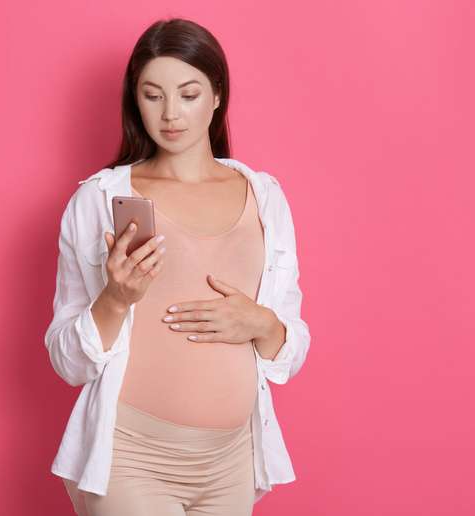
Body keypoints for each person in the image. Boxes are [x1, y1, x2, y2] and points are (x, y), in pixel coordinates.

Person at [44, 17, 311, 516]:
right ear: (135, 100)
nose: (170, 114)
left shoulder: (265, 197)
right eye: (152, 95)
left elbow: (289, 350)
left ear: (217, 95)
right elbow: (67, 361)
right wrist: (115, 299)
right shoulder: (99, 200)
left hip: (233, 462)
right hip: (131, 458)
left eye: (188, 94)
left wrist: (262, 323)